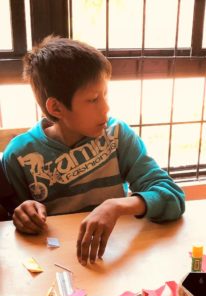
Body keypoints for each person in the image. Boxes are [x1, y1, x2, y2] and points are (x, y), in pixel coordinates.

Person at [1, 35, 185, 264]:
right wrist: (24, 214)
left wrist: (117, 205)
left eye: (105, 94)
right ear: (57, 107)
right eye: (93, 99)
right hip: (57, 264)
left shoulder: (117, 135)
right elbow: (12, 226)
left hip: (115, 259)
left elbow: (173, 198)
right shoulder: (19, 156)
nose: (106, 108)